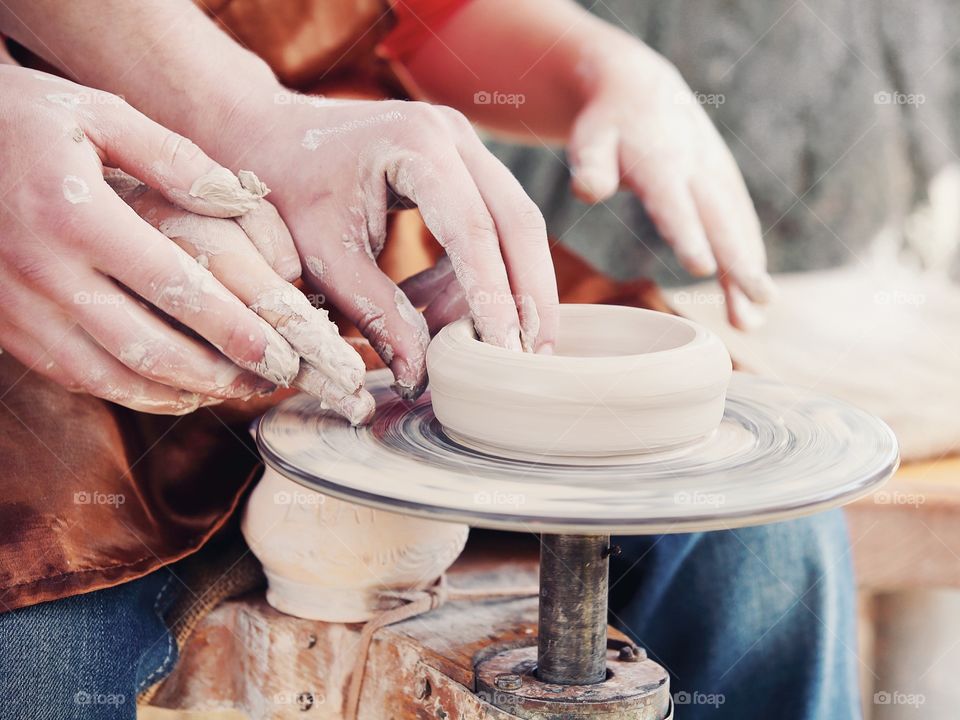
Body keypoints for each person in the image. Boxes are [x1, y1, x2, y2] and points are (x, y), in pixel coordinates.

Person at [0, 1, 829, 719]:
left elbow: (419, 18)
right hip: (53, 250)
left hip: (356, 227)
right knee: (38, 657)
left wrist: (599, 65)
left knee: (760, 532)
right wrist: (243, 114)